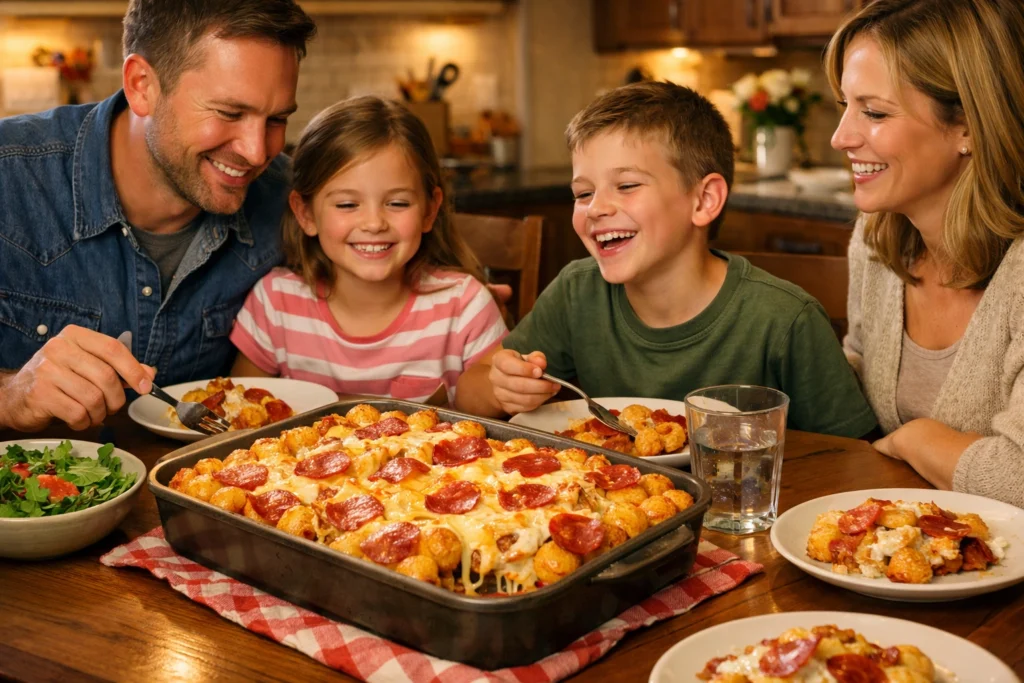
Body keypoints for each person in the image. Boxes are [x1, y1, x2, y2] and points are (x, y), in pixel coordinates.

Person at [454, 81, 877, 438]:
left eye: (626, 185)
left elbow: (853, 460)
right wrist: (502, 387)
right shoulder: (577, 291)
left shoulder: (786, 320)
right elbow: (470, 389)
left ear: (703, 200)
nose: (596, 208)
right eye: (583, 193)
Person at [0, 0, 316, 433]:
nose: (257, 151)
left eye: (277, 119)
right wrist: (11, 394)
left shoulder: (288, 201)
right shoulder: (9, 176)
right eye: (229, 113)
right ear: (142, 85)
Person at [828, 0, 1024, 506]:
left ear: (969, 126)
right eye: (843, 106)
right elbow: (862, 370)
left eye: (873, 112)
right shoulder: (877, 237)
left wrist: (916, 438)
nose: (841, 137)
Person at [228, 96, 508, 403]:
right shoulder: (274, 304)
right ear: (305, 213)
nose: (374, 223)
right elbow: (239, 409)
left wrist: (509, 388)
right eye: (347, 204)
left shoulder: (465, 306)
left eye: (398, 203)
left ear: (430, 210)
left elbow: (490, 402)